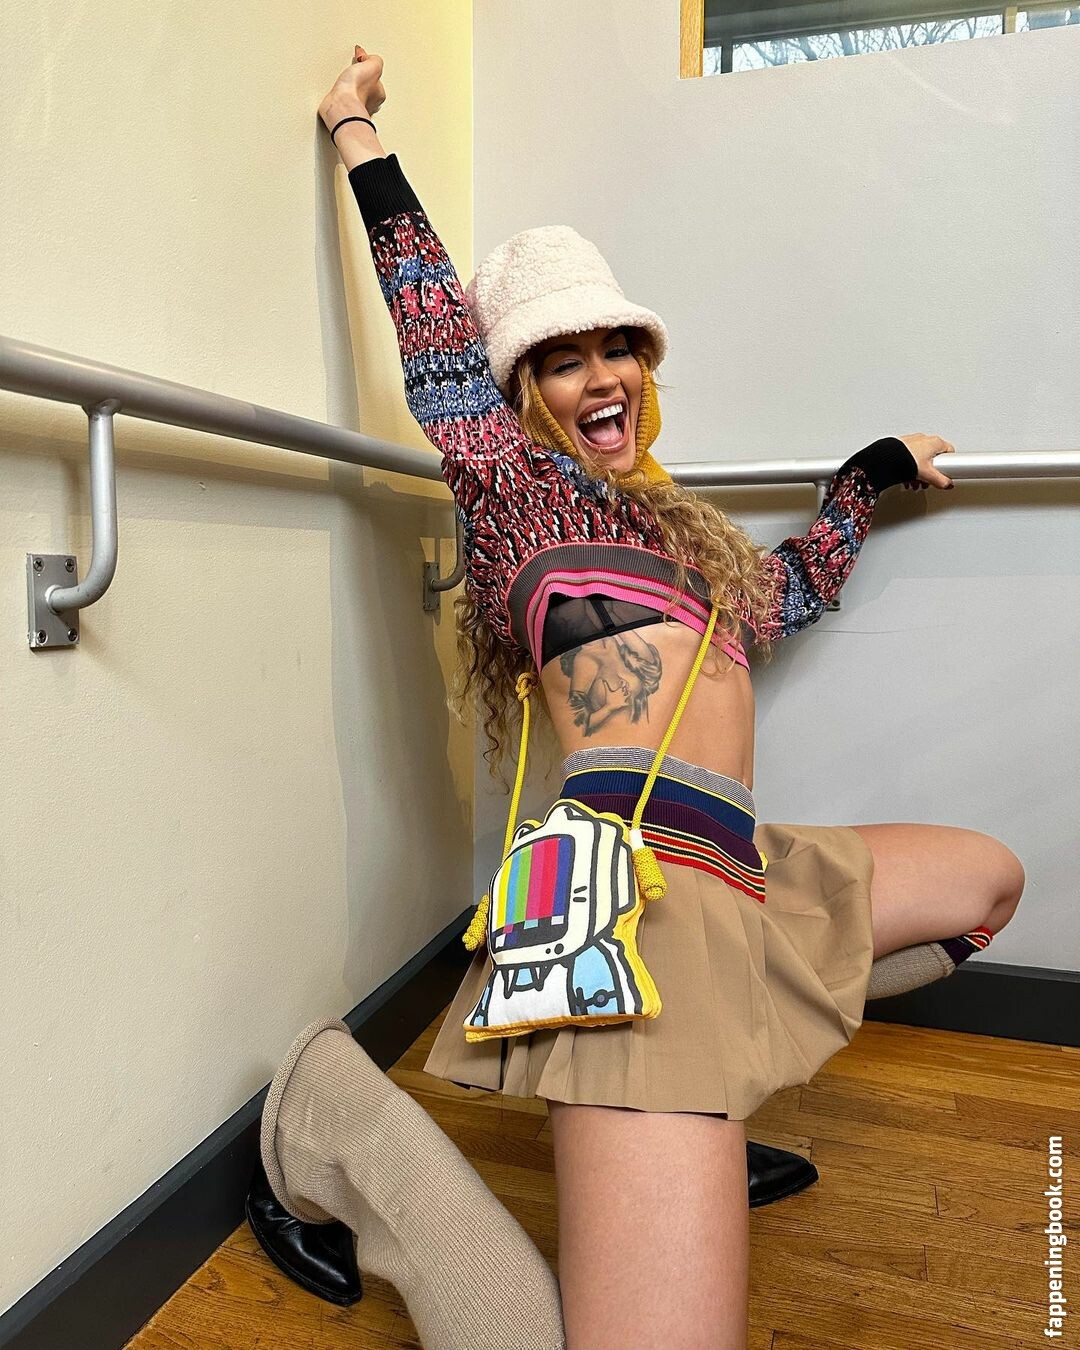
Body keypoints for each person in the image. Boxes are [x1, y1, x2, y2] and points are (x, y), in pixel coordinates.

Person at [253, 45, 1027, 1349]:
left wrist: (872, 473)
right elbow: (433, 327)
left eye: (619, 347)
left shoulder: (685, 541)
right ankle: (330, 1118)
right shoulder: (520, 497)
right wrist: (356, 135)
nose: (602, 374)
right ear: (521, 396)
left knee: (985, 882)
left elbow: (795, 587)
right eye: (563, 360)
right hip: (633, 898)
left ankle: (717, 1088)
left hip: (740, 874)